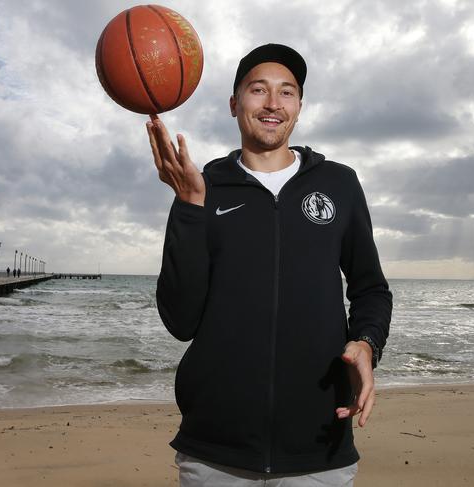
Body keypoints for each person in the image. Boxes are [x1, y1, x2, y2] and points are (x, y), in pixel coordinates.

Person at [147, 44, 392, 486]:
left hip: (320, 450)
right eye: (258, 90)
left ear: (299, 106)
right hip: (215, 450)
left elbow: (370, 287)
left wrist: (367, 343)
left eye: (287, 92)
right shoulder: (203, 186)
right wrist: (189, 206)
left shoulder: (338, 182)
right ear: (234, 103)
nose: (273, 103)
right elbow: (180, 319)